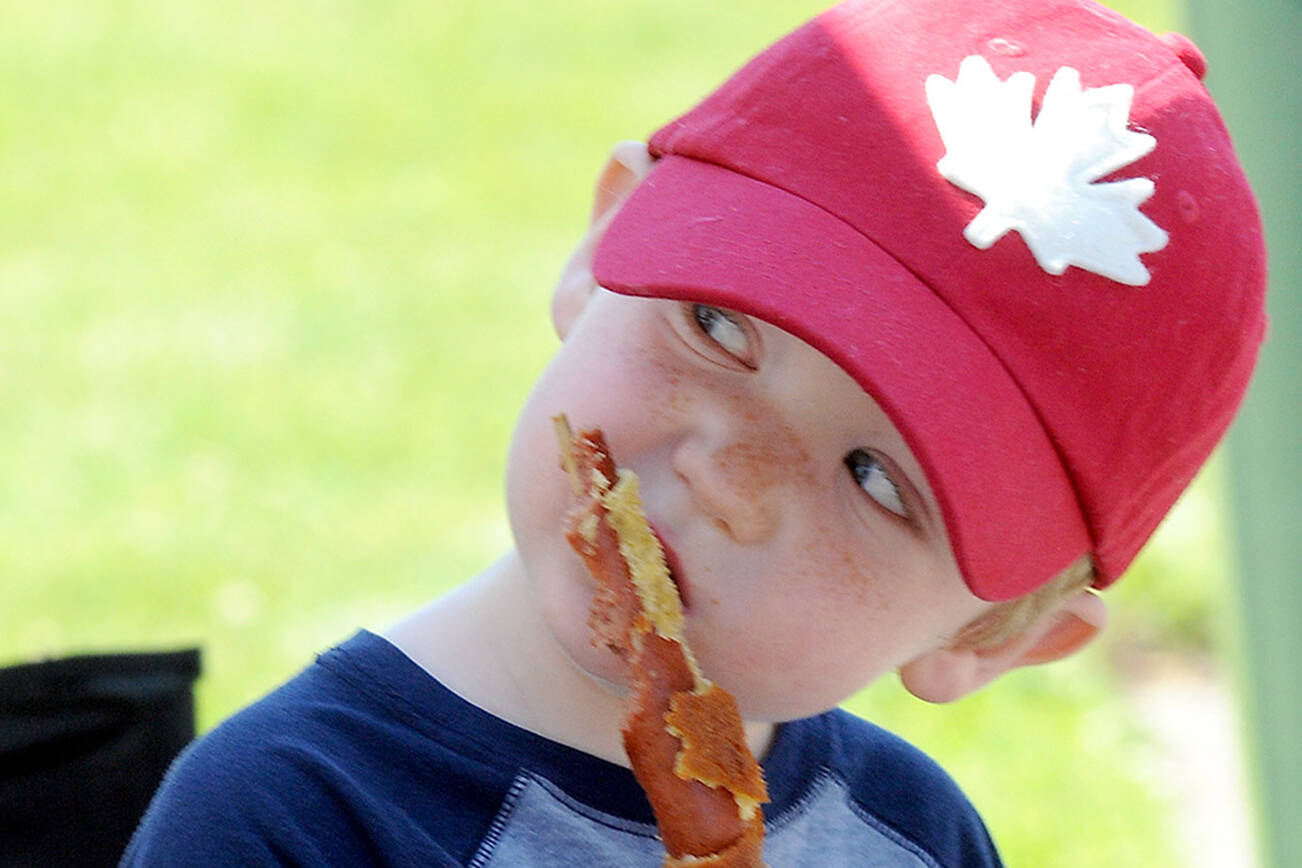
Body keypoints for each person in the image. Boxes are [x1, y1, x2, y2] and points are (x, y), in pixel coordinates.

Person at [121, 0, 1267, 864]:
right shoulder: (292, 814)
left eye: (876, 476)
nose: (731, 475)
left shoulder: (916, 838)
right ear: (601, 247)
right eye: (719, 324)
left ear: (994, 639)